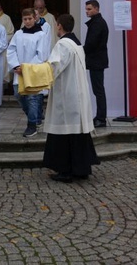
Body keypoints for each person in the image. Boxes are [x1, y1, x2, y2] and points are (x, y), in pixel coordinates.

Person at [43, 14, 100, 183]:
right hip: (78, 94)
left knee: (65, 131)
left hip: (67, 95)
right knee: (78, 133)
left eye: (55, 25)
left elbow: (53, 67)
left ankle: (66, 170)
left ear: (59, 26)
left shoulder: (62, 45)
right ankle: (81, 169)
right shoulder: (77, 44)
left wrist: (31, 71)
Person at [7, 8, 50, 137]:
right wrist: (16, 66)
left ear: (34, 18)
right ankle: (35, 117)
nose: (27, 21)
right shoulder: (18, 34)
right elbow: (11, 50)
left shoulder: (41, 35)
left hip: (32, 71)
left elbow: (41, 54)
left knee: (32, 98)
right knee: (18, 95)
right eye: (25, 19)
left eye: (30, 19)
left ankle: (32, 125)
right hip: (18, 71)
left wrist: (26, 68)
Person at [84, 0, 109, 128]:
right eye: (86, 9)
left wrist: (81, 50)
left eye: (89, 9)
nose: (86, 12)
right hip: (97, 61)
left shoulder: (98, 23)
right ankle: (100, 117)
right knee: (98, 90)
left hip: (97, 61)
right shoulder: (97, 22)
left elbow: (91, 43)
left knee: (98, 90)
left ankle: (101, 118)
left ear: (96, 9)